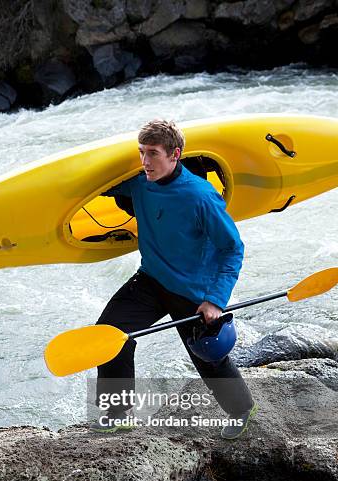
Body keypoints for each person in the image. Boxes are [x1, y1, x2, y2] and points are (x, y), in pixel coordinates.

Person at [90, 119, 258, 439]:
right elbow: (104, 185)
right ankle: (118, 412)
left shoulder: (200, 197)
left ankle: (241, 410)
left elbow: (232, 248)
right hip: (152, 279)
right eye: (141, 153)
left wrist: (214, 300)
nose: (144, 162)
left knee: (208, 354)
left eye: (152, 154)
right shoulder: (140, 183)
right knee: (110, 335)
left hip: (193, 290)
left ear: (175, 154)